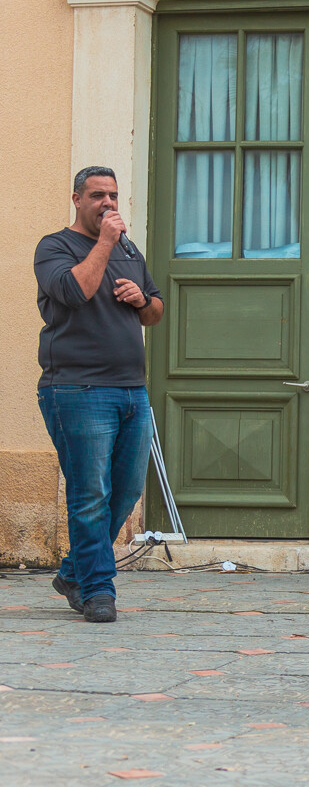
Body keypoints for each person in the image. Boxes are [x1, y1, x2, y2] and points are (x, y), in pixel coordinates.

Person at [34, 166, 164, 623]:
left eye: (112, 195)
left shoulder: (129, 248)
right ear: (76, 200)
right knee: (90, 493)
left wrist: (140, 300)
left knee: (125, 491)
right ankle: (96, 590)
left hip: (132, 390)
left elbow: (155, 311)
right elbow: (74, 291)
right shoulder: (54, 247)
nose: (108, 204)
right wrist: (105, 243)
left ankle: (73, 571)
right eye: (97, 196)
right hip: (76, 389)